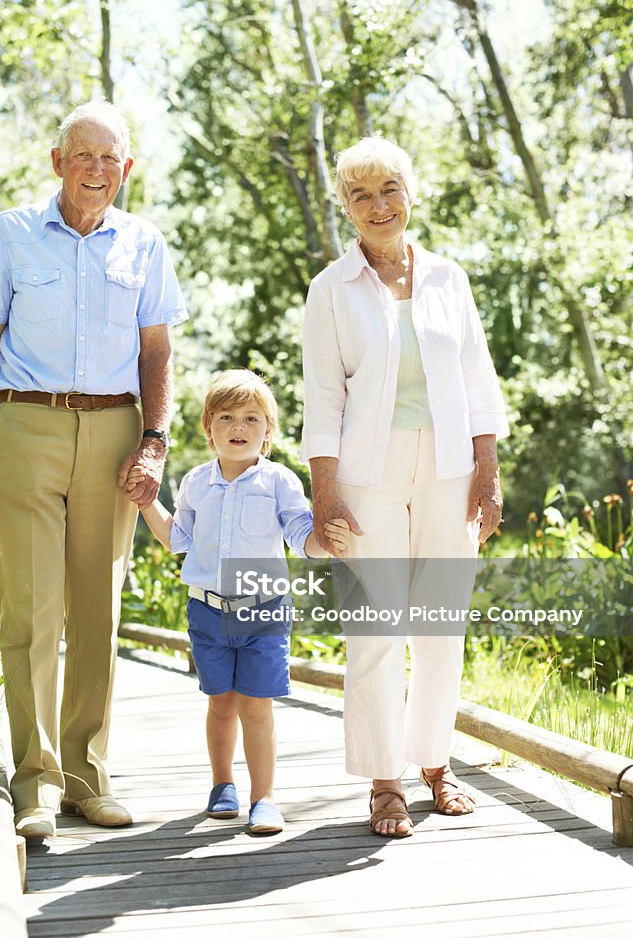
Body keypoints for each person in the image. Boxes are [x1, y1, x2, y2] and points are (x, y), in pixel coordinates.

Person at [0, 100, 188, 840]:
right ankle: (34, 782)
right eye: (81, 154)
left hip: (116, 428)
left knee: (97, 610)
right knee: (30, 608)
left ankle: (87, 777)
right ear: (57, 162)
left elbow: (157, 353)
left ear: (127, 168)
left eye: (109, 157)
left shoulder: (144, 244)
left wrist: (154, 440)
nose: (95, 168)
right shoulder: (12, 234)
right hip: (27, 423)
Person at [301, 136, 509, 838]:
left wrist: (488, 472)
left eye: (387, 188)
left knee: (440, 629)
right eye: (359, 194)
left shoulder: (448, 278)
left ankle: (434, 764)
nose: (376, 205)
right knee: (375, 630)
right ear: (344, 208)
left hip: (451, 469)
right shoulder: (330, 289)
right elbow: (322, 398)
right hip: (367, 474)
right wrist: (324, 492)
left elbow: (478, 381)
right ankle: (385, 780)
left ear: (409, 194)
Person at [129, 369, 349, 834]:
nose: (238, 427)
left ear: (268, 431)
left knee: (257, 705)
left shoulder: (280, 483)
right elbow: (176, 538)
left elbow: (299, 534)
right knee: (221, 703)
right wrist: (146, 501)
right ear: (209, 428)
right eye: (226, 417)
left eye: (252, 418)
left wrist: (324, 543)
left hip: (264, 611)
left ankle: (264, 797)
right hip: (207, 611)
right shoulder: (194, 483)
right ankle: (221, 785)